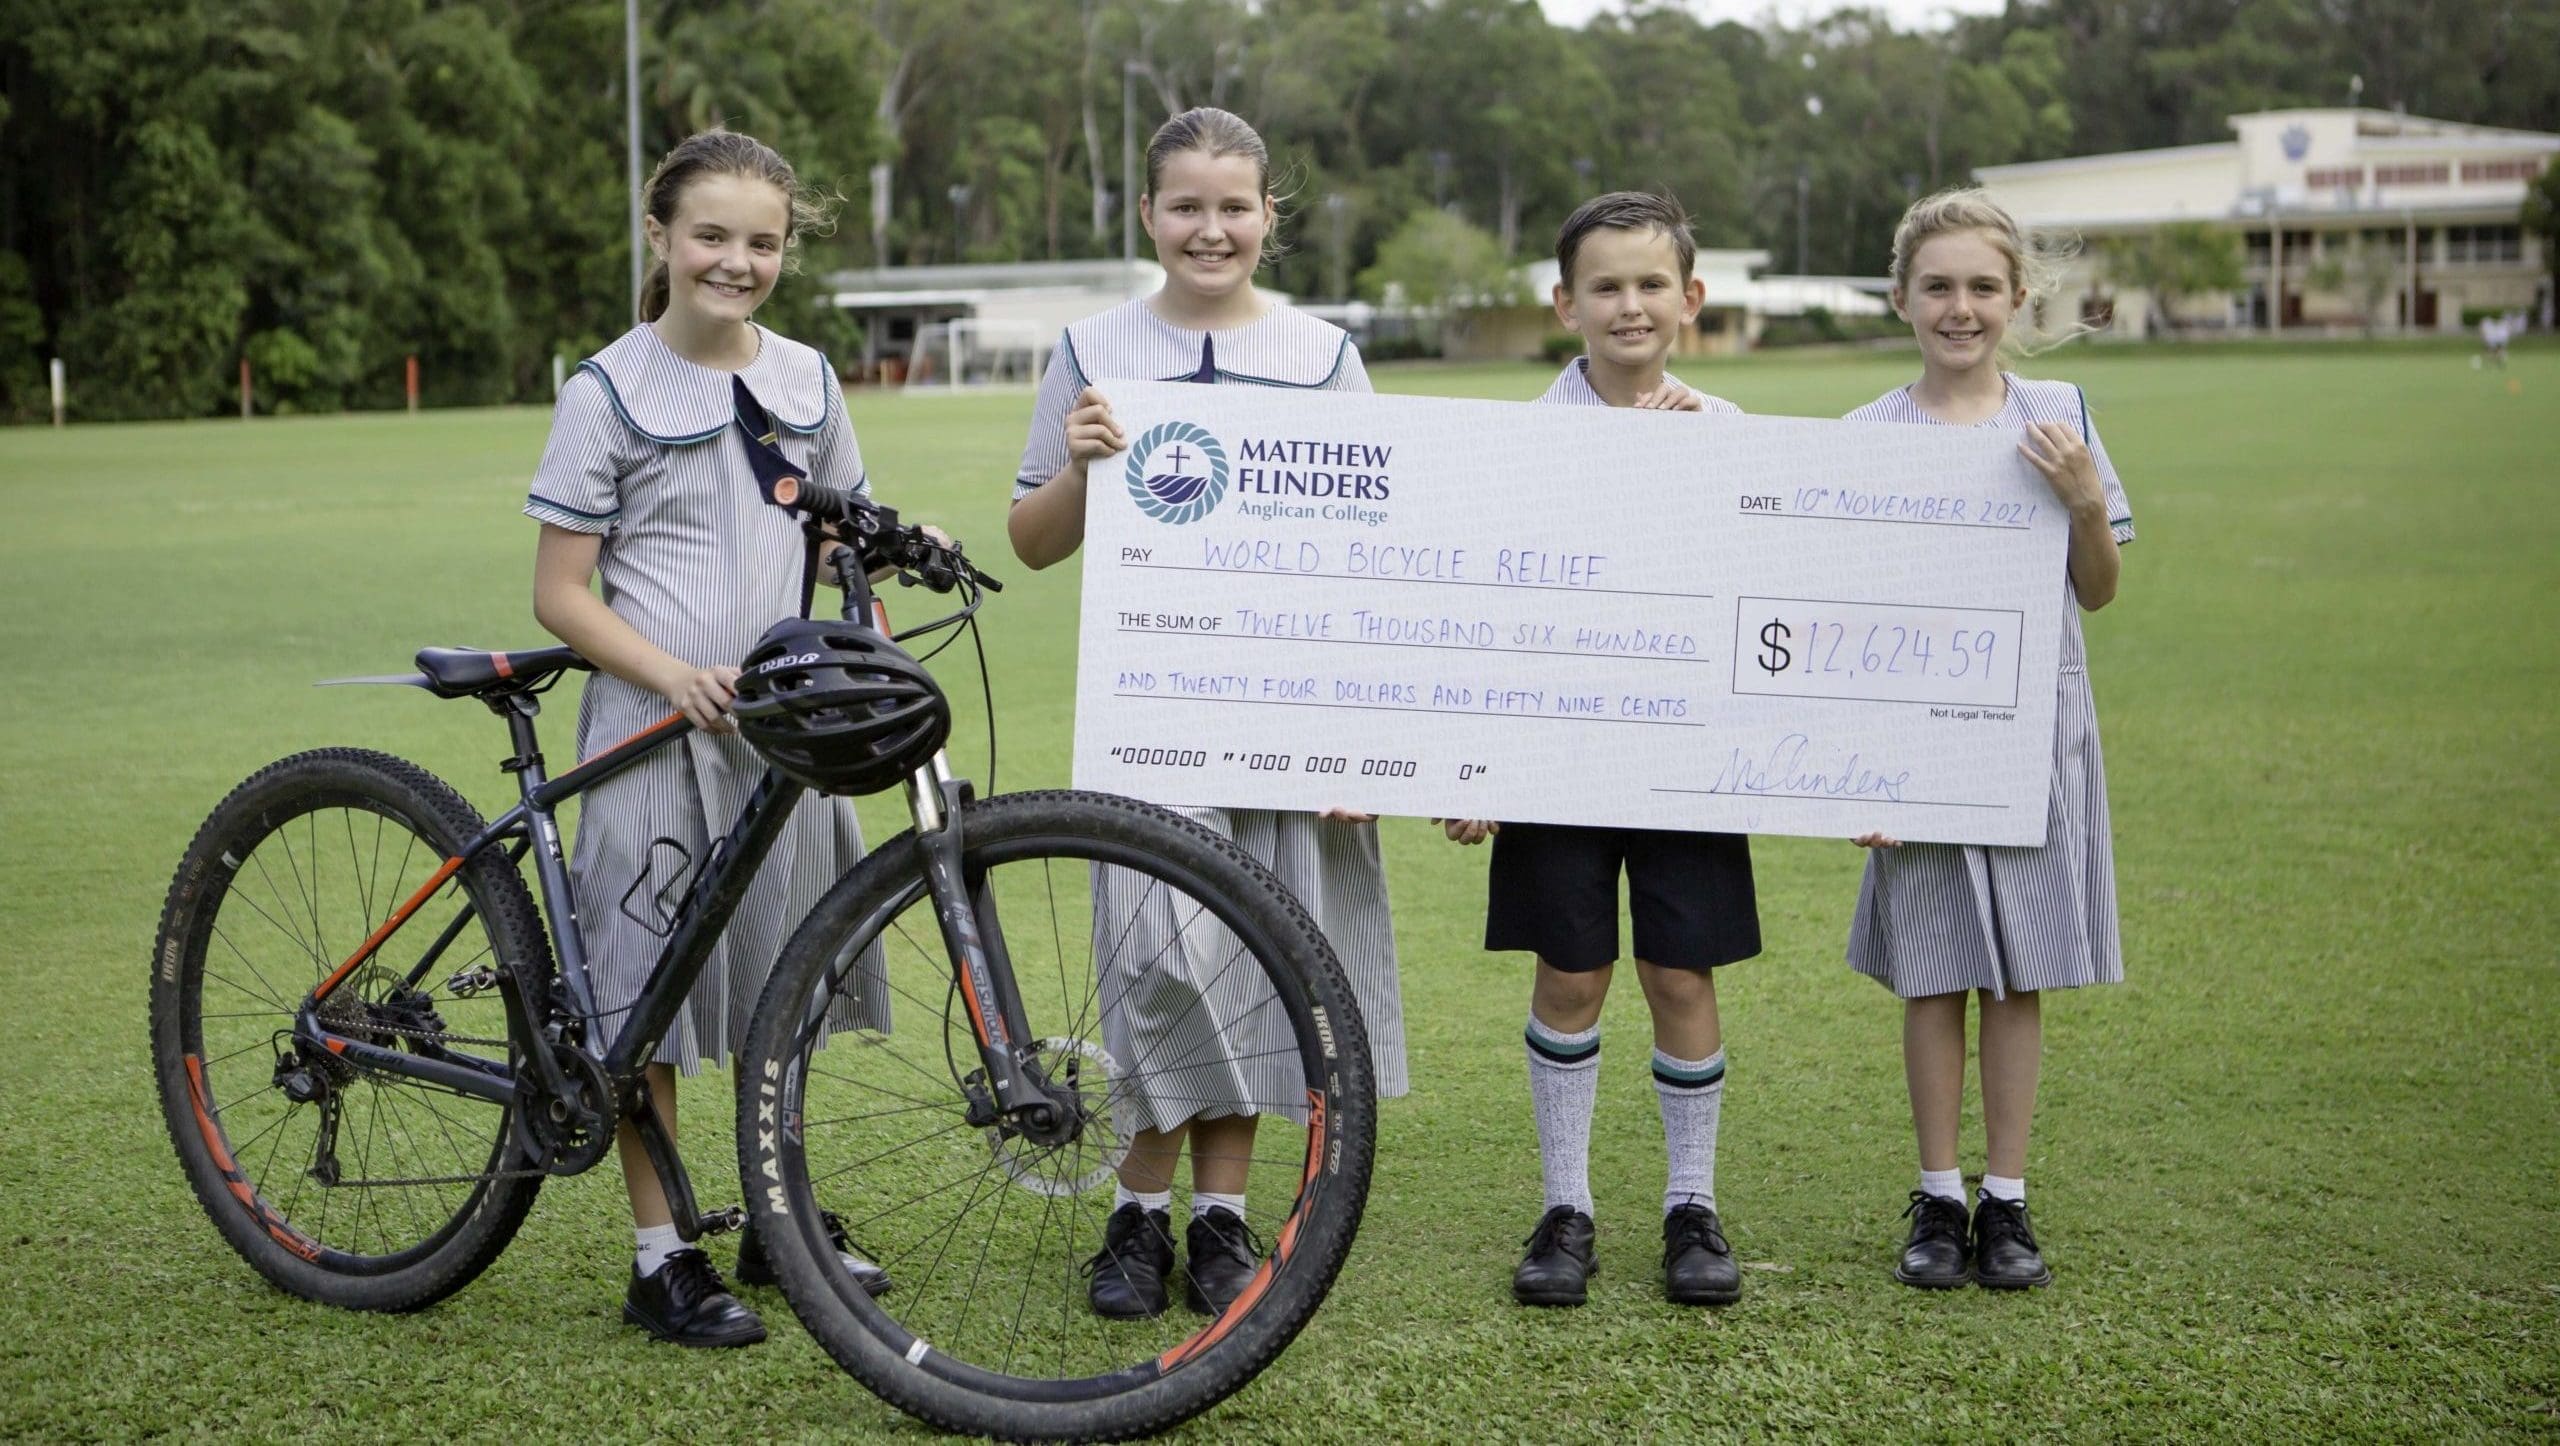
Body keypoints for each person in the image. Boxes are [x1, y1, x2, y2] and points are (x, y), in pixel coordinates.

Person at [1006, 106, 1409, 1320]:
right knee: (1159, 957)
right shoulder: (1091, 347)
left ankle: (1219, 1220)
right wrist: (1079, 465)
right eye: (1186, 206)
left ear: (1268, 216)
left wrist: (1368, 739)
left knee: (1255, 959)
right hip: (1150, 709)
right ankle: (1138, 1213)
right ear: (1148, 214)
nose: (1210, 229)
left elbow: (1381, 549)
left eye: (1234, 207)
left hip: (1287, 710)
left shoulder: (1324, 355)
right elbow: (1030, 541)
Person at [525, 128, 893, 1348]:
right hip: (651, 733)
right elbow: (560, 594)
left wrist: (875, 594)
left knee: (781, 982)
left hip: (782, 739)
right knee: (648, 1002)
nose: (737, 261)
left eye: (762, 242)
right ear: (660, 236)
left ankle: (776, 1223)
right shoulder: (606, 390)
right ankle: (662, 1255)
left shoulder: (809, 378)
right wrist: (671, 676)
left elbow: (838, 540)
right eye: (712, 236)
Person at [1443, 191, 1760, 1310]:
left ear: (1691, 297)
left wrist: (1693, 473)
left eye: (1651, 283)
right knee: (1571, 974)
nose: (1631, 304)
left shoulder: (1732, 435)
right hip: (1557, 755)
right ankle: (1566, 1206)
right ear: (1563, 302)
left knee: (1681, 974)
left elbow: (1761, 598)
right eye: (1606, 285)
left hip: (1682, 757)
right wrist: (1472, 763)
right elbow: (1482, 607)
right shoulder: (1520, 443)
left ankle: (1691, 1206)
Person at [1842, 187, 2133, 1291]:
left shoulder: (2057, 414)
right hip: (1915, 750)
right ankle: (1937, 1195)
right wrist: (1856, 775)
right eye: (1937, 287)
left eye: (1980, 287)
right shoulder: (1868, 437)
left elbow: (2097, 591)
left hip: (2035, 735)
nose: (1958, 308)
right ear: (1901, 298)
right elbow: (1843, 627)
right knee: (1934, 973)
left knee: (2018, 977)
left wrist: (2084, 501)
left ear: (2016, 298)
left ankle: (2005, 1199)